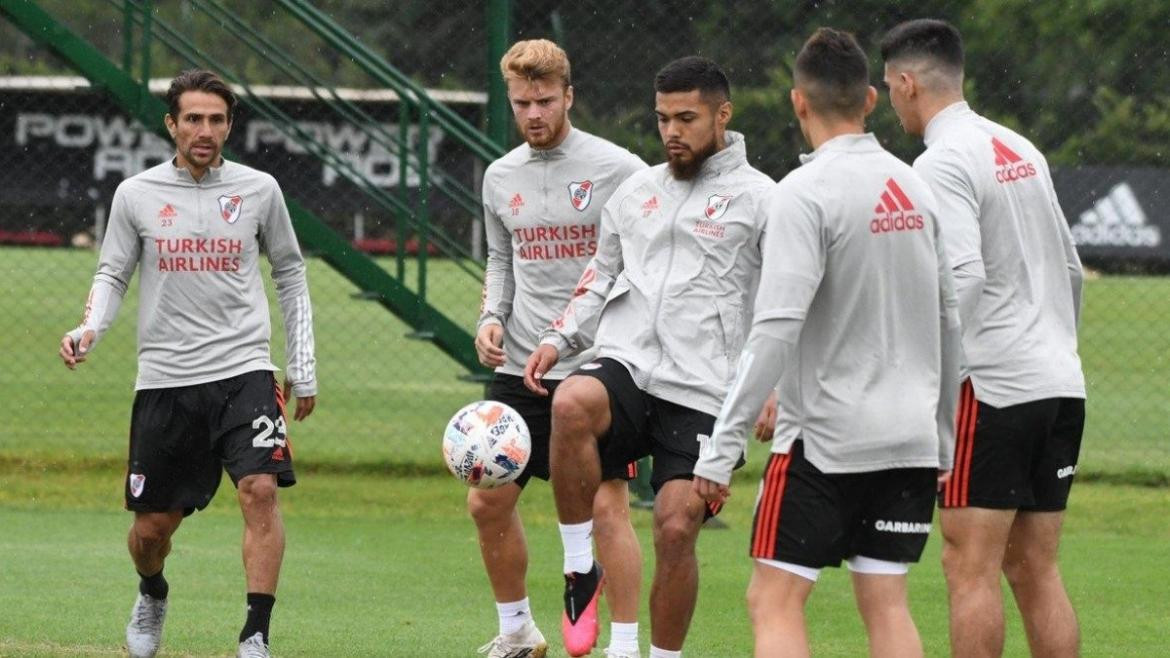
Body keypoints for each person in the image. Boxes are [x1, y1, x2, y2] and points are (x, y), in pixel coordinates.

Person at [692, 27, 962, 657]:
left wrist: (720, 448)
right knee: (887, 605)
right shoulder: (917, 187)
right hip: (910, 442)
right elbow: (953, 321)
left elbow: (776, 327)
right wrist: (943, 438)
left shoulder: (802, 195)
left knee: (773, 599)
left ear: (798, 103)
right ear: (870, 98)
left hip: (826, 444)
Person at [57, 69, 316, 658]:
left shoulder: (259, 189)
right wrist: (90, 327)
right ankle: (152, 592)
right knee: (151, 532)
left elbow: (291, 275)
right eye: (193, 119)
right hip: (167, 379)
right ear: (172, 124)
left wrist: (302, 365)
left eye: (217, 119)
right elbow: (112, 272)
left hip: (245, 369)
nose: (205, 130)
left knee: (259, 490)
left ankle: (255, 635)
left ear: (230, 125)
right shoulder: (137, 194)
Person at [525, 56, 774, 658]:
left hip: (707, 390)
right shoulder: (636, 192)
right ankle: (581, 567)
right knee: (572, 401)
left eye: (687, 118)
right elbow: (599, 274)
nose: (671, 132)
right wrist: (560, 337)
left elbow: (784, 301)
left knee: (674, 525)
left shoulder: (764, 198)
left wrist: (775, 386)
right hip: (630, 365)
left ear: (722, 115)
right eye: (663, 118)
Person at [880, 19, 1087, 658]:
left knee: (968, 568)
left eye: (888, 86)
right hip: (1060, 383)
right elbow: (1074, 270)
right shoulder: (1019, 146)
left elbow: (962, 279)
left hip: (992, 389)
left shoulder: (941, 160)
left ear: (908, 83)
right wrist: (1053, 345)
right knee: (1035, 569)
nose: (889, 99)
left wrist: (924, 369)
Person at [473, 39, 647, 658]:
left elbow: (632, 267)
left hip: (596, 369)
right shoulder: (500, 176)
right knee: (485, 500)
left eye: (545, 101)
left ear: (569, 95)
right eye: (522, 103)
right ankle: (518, 631)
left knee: (608, 509)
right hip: (521, 365)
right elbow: (501, 259)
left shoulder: (620, 169)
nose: (534, 114)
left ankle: (623, 646)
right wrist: (490, 316)